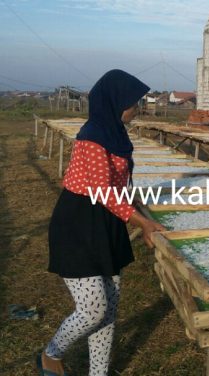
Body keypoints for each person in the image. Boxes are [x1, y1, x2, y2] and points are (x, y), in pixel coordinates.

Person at [38, 69, 166, 376]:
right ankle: (50, 354)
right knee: (92, 308)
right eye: (133, 103)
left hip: (107, 222)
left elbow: (117, 183)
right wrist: (142, 223)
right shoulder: (93, 136)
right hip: (79, 223)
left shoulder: (116, 133)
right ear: (114, 101)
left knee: (108, 308)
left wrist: (133, 202)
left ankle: (99, 373)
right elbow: (101, 190)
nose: (137, 109)